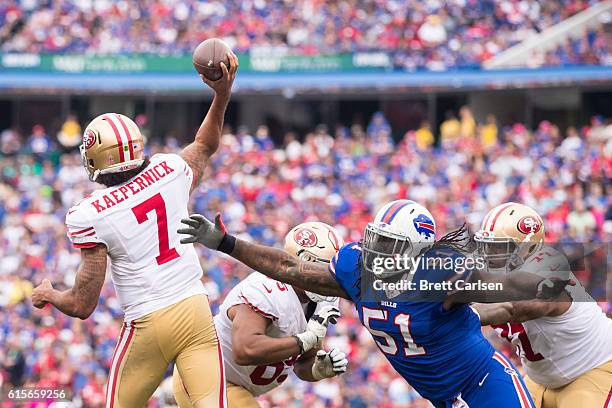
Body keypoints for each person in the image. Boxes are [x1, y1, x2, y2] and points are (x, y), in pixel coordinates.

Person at [177, 199, 572, 407]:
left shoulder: (440, 274)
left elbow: (502, 288)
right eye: (376, 240)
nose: (376, 251)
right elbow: (289, 267)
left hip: (484, 382)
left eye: (390, 246)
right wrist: (226, 244)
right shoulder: (357, 269)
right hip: (444, 396)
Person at [31, 52, 239, 408]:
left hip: (148, 321)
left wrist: (49, 294)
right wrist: (221, 95)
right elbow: (205, 144)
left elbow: (83, 305)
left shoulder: (90, 213)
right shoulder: (170, 170)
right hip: (195, 308)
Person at [172, 221, 348, 407]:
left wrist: (318, 369)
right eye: (325, 268)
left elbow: (302, 359)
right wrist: (307, 339)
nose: (330, 278)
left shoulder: (323, 298)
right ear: (301, 262)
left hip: (237, 386)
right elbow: (245, 349)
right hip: (206, 376)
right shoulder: (267, 290)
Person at [471, 202, 612, 408]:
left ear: (529, 248)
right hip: (542, 379)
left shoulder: (550, 273)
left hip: (592, 368)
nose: (489, 256)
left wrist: (465, 310)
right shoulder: (493, 276)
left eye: (499, 247)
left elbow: (514, 308)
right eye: (487, 246)